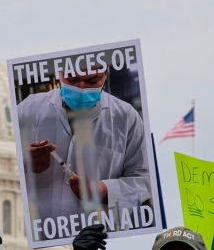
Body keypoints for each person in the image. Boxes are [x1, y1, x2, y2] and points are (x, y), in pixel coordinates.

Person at [18, 67, 151, 222]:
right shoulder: (28, 109)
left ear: (105, 75)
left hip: (96, 235)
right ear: (59, 74)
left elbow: (143, 179)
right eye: (72, 80)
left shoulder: (127, 117)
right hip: (37, 234)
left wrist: (104, 190)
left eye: (92, 80)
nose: (81, 88)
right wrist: (24, 159)